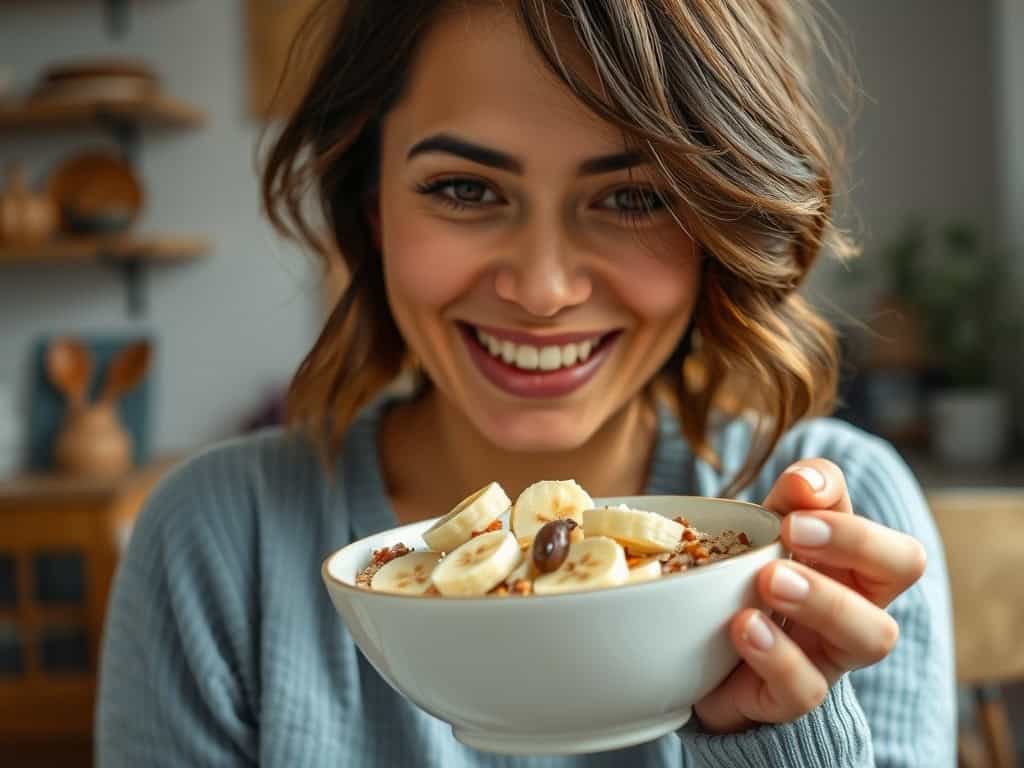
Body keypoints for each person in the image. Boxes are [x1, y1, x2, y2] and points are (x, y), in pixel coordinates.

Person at [96, 1, 956, 766]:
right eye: (465, 188)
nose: (544, 291)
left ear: (717, 222)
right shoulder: (215, 544)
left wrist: (780, 742)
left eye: (634, 197)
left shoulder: (830, 533)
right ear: (370, 207)